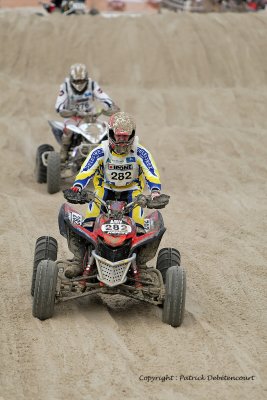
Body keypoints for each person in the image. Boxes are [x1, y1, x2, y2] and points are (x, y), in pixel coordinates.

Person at [65, 111, 162, 278]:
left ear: (132, 135)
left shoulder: (140, 152)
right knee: (89, 219)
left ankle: (140, 265)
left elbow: (151, 171)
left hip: (132, 192)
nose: (122, 141)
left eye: (125, 137)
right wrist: (77, 187)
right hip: (105, 190)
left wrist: (155, 191)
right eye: (118, 136)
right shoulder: (101, 150)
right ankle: (78, 260)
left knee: (139, 224)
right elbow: (87, 169)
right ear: (110, 133)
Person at [55, 63, 119, 161]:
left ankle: (112, 153)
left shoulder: (92, 84)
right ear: (71, 79)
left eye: (81, 80)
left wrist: (110, 105)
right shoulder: (65, 86)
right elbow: (59, 104)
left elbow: (103, 97)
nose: (79, 84)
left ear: (86, 78)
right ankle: (64, 151)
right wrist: (63, 110)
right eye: (76, 81)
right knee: (68, 130)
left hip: (91, 116)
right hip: (73, 116)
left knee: (106, 130)